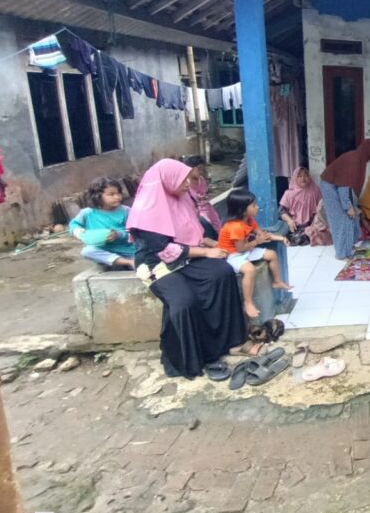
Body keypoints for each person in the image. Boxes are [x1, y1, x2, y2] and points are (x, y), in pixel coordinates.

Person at [127, 159, 248, 379]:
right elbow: (164, 249)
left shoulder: (181, 198)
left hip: (185, 256)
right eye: (184, 180)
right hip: (157, 263)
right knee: (184, 302)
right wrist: (206, 252)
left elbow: (191, 230)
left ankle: (221, 346)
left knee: (221, 273)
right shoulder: (146, 209)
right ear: (168, 180)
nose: (187, 185)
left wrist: (210, 244)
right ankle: (185, 361)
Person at [218, 190, 292, 319]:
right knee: (250, 270)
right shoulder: (235, 227)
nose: (257, 207)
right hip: (231, 254)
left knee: (271, 255)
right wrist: (257, 242)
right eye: (253, 205)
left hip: (245, 249)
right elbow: (240, 248)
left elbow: (261, 234)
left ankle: (276, 281)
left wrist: (279, 238)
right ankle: (248, 302)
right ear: (242, 210)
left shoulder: (250, 220)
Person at [320, 138, 370, 259]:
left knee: (352, 218)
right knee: (341, 220)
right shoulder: (353, 161)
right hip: (330, 187)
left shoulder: (359, 159)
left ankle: (347, 247)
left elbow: (347, 185)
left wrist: (351, 206)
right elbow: (343, 186)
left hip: (339, 186)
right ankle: (341, 254)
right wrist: (348, 206)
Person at [69, 176, 136, 269]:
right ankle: (128, 262)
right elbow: (74, 225)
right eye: (111, 194)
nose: (117, 197)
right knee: (87, 251)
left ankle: (127, 262)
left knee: (146, 267)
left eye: (119, 193)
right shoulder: (87, 213)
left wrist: (119, 234)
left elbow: (136, 232)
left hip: (127, 250)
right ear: (98, 196)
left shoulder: (126, 211)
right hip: (103, 250)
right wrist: (78, 232)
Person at [279, 166, 323, 243]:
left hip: (311, 226)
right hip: (294, 226)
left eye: (305, 175)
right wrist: (289, 220)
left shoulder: (315, 191)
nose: (303, 178)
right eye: (299, 176)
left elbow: (321, 209)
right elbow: (281, 211)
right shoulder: (289, 194)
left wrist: (315, 222)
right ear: (295, 178)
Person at [181, 155, 222, 233]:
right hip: (194, 210)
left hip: (205, 206)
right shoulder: (186, 183)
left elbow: (204, 193)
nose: (201, 171)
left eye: (202, 169)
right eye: (199, 169)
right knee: (205, 223)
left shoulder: (202, 180)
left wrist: (204, 198)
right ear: (189, 169)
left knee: (216, 221)